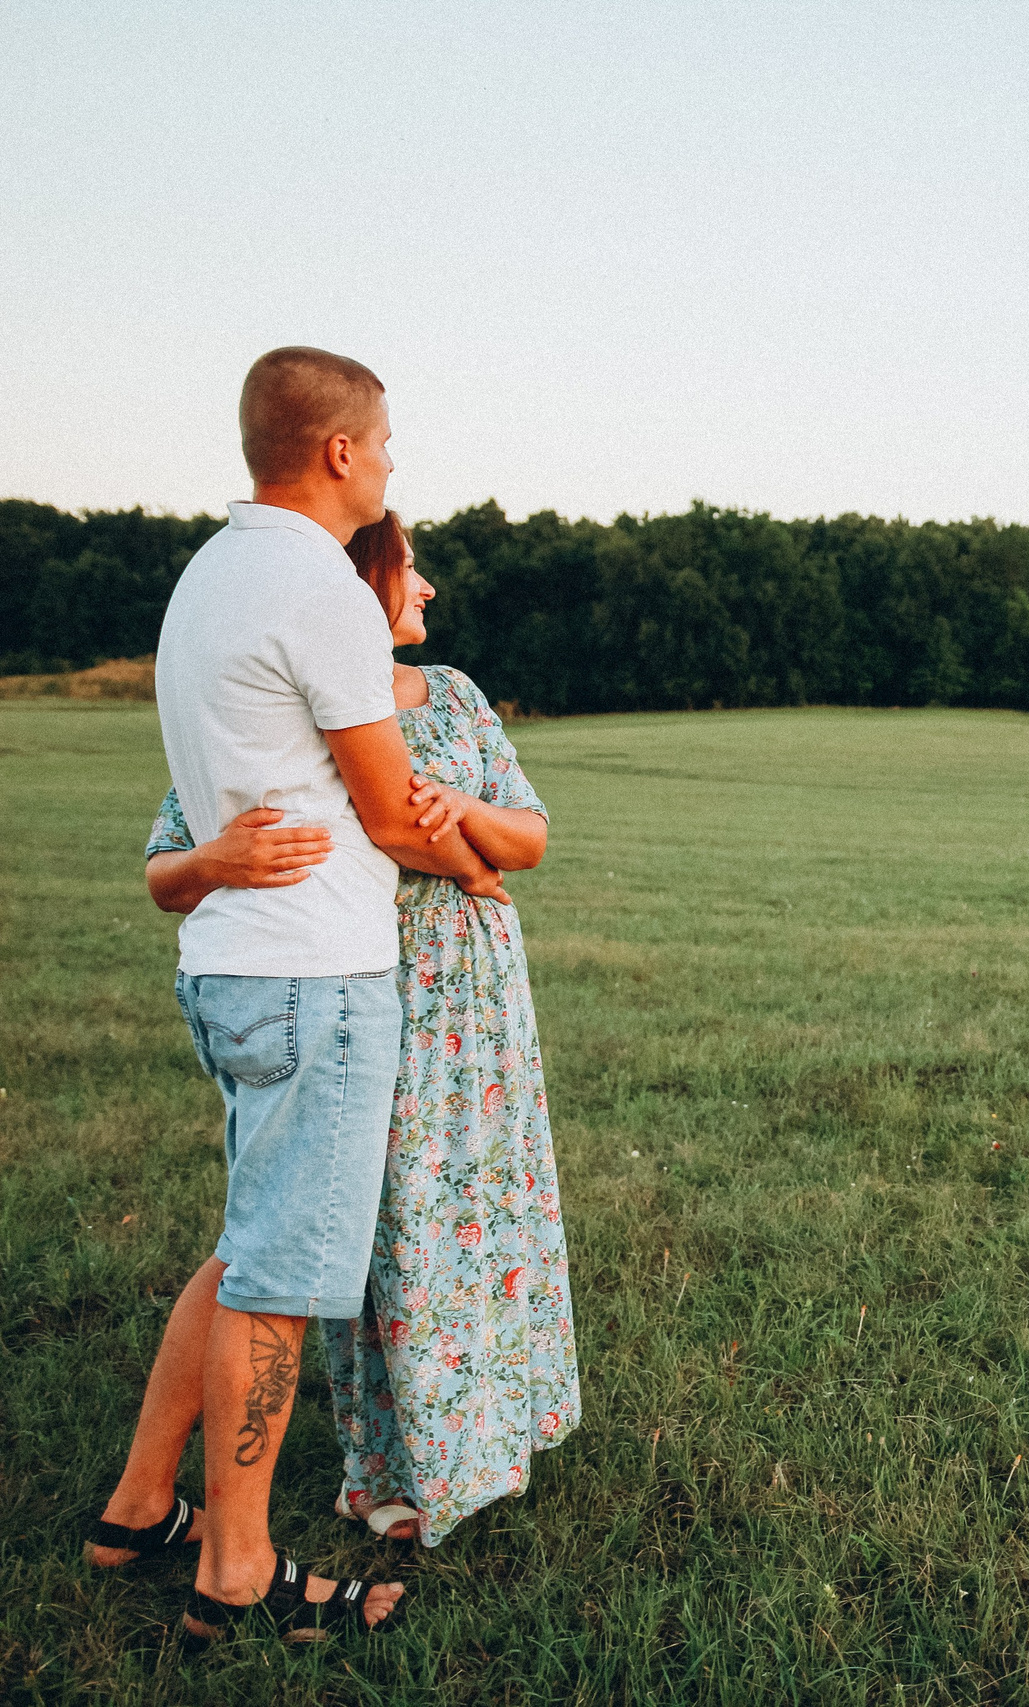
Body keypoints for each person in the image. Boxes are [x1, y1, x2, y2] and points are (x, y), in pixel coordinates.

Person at [89, 347, 507, 1645]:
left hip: (229, 964)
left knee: (242, 1244)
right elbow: (389, 808)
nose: (387, 467)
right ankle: (237, 1566)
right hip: (314, 977)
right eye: (382, 446)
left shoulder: (210, 575)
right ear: (337, 450)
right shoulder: (320, 587)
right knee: (274, 1275)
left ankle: (139, 1503)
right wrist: (487, 859)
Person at [144, 510, 579, 1550]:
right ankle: (388, 1465)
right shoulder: (295, 711)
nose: (425, 590)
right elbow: (174, 860)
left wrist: (466, 826)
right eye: (410, 570)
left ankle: (490, 1437)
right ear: (351, 586)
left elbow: (530, 831)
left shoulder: (459, 698)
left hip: (475, 1001)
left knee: (485, 1211)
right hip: (364, 989)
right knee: (382, 1234)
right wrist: (463, 863)